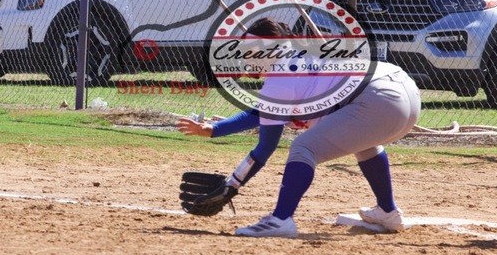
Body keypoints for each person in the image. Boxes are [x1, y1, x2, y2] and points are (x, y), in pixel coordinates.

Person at [178, 16, 421, 238]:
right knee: (365, 144)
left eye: (249, 51)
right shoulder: (301, 55)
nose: (246, 58)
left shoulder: (280, 75)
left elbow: (265, 147)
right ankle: (388, 212)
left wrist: (233, 185)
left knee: (303, 148)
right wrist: (215, 129)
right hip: (402, 90)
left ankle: (280, 219)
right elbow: (264, 112)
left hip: (377, 99)